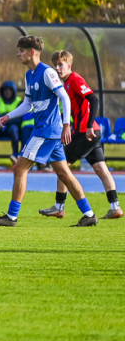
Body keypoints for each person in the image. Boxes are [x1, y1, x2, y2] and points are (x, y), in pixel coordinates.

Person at [0, 35, 97, 227]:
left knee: (20, 168)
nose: (17, 54)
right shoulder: (29, 75)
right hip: (47, 131)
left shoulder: (47, 72)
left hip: (46, 131)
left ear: (31, 53)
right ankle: (89, 214)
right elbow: (28, 104)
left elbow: (63, 97)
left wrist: (65, 125)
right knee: (64, 174)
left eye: (21, 51)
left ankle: (11, 217)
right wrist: (8, 116)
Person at [37, 50, 121, 220]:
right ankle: (115, 207)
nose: (57, 68)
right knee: (100, 168)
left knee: (62, 166)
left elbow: (94, 99)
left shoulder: (75, 79)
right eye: (55, 65)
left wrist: (89, 126)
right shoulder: (65, 84)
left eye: (61, 64)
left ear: (69, 65)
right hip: (90, 131)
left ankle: (59, 206)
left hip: (86, 132)